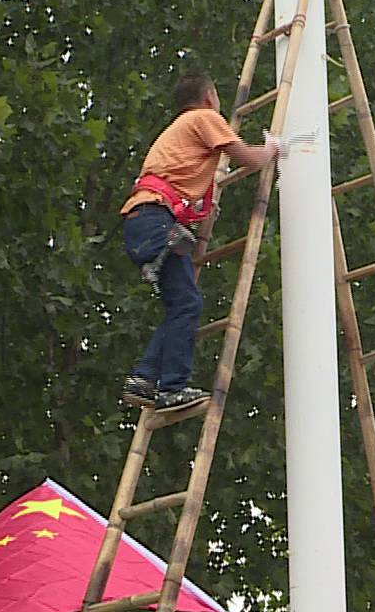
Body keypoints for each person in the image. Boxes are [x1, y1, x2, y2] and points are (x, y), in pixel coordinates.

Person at [120, 72, 280, 412]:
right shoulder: (205, 118)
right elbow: (250, 160)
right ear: (209, 96)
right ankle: (171, 388)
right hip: (155, 219)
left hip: (143, 220)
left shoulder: (178, 134)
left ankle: (145, 378)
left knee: (181, 304)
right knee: (188, 304)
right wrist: (273, 149)